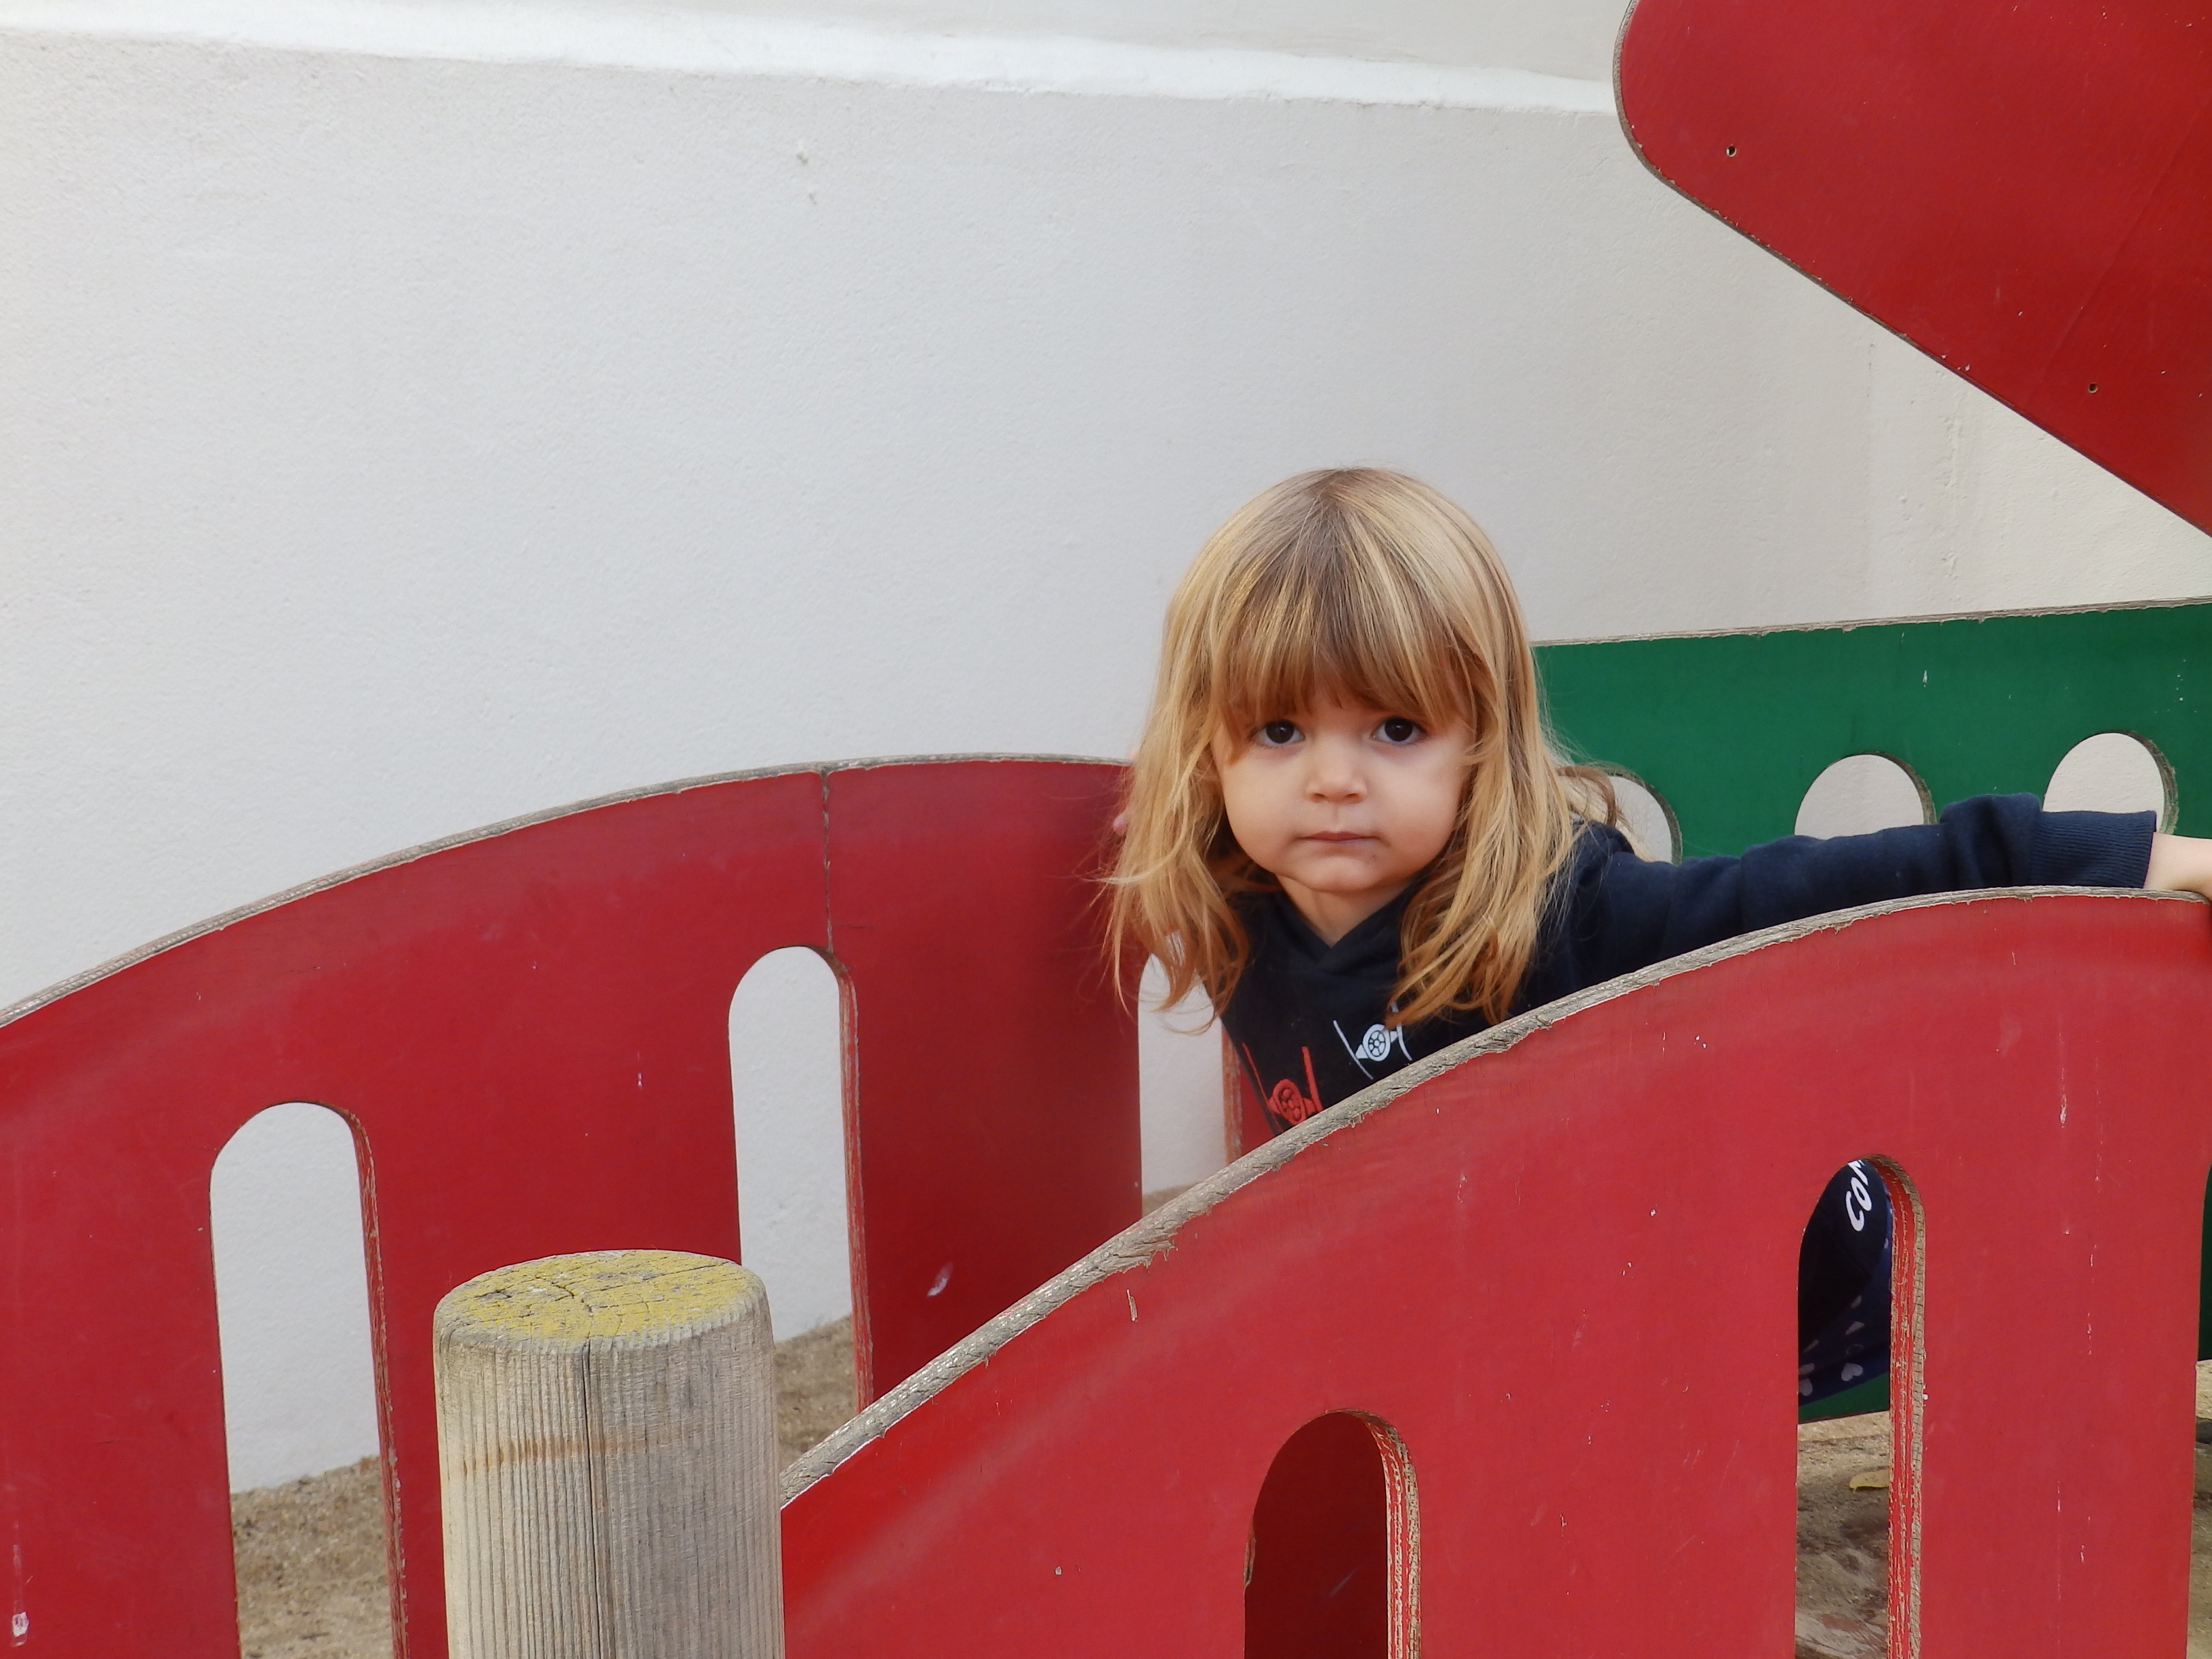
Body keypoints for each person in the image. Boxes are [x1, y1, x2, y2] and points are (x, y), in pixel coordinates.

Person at [1107, 466, 2212, 1416]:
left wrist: (2138, 859)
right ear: (1209, 750)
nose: (1334, 779)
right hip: (1555, 1304)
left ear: (1480, 746)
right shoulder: (1236, 909)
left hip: (1780, 1264)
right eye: (1279, 730)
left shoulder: (1567, 916)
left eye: (1396, 729)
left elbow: (1843, 886)